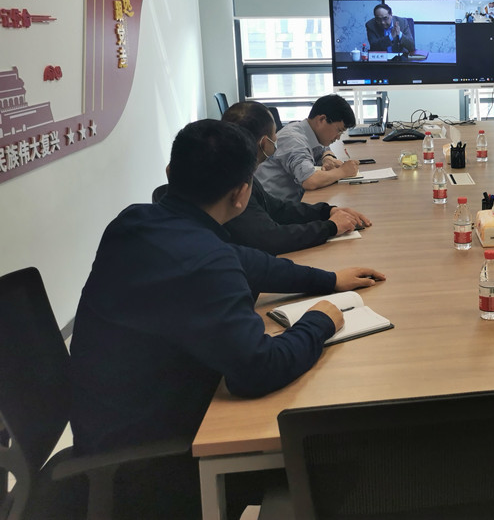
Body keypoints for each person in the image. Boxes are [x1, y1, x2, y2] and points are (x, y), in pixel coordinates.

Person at [70, 119, 385, 518]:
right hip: (155, 463)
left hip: (109, 426)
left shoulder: (133, 221)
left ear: (169, 173)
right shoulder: (205, 260)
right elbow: (258, 370)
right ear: (241, 195)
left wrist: (327, 280)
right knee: (342, 450)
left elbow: (246, 261)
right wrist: (320, 321)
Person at [222, 101, 372, 254]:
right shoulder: (234, 187)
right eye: (275, 135)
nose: (277, 139)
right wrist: (330, 227)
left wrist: (327, 212)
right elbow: (271, 238)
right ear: (265, 143)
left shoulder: (240, 174)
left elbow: (279, 209)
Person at [256, 93, 360, 201]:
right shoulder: (293, 139)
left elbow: (323, 148)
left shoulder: (309, 131)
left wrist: (328, 157)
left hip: (290, 200)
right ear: (322, 119)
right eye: (339, 130)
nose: (338, 137)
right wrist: (343, 171)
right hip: (272, 205)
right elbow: (310, 180)